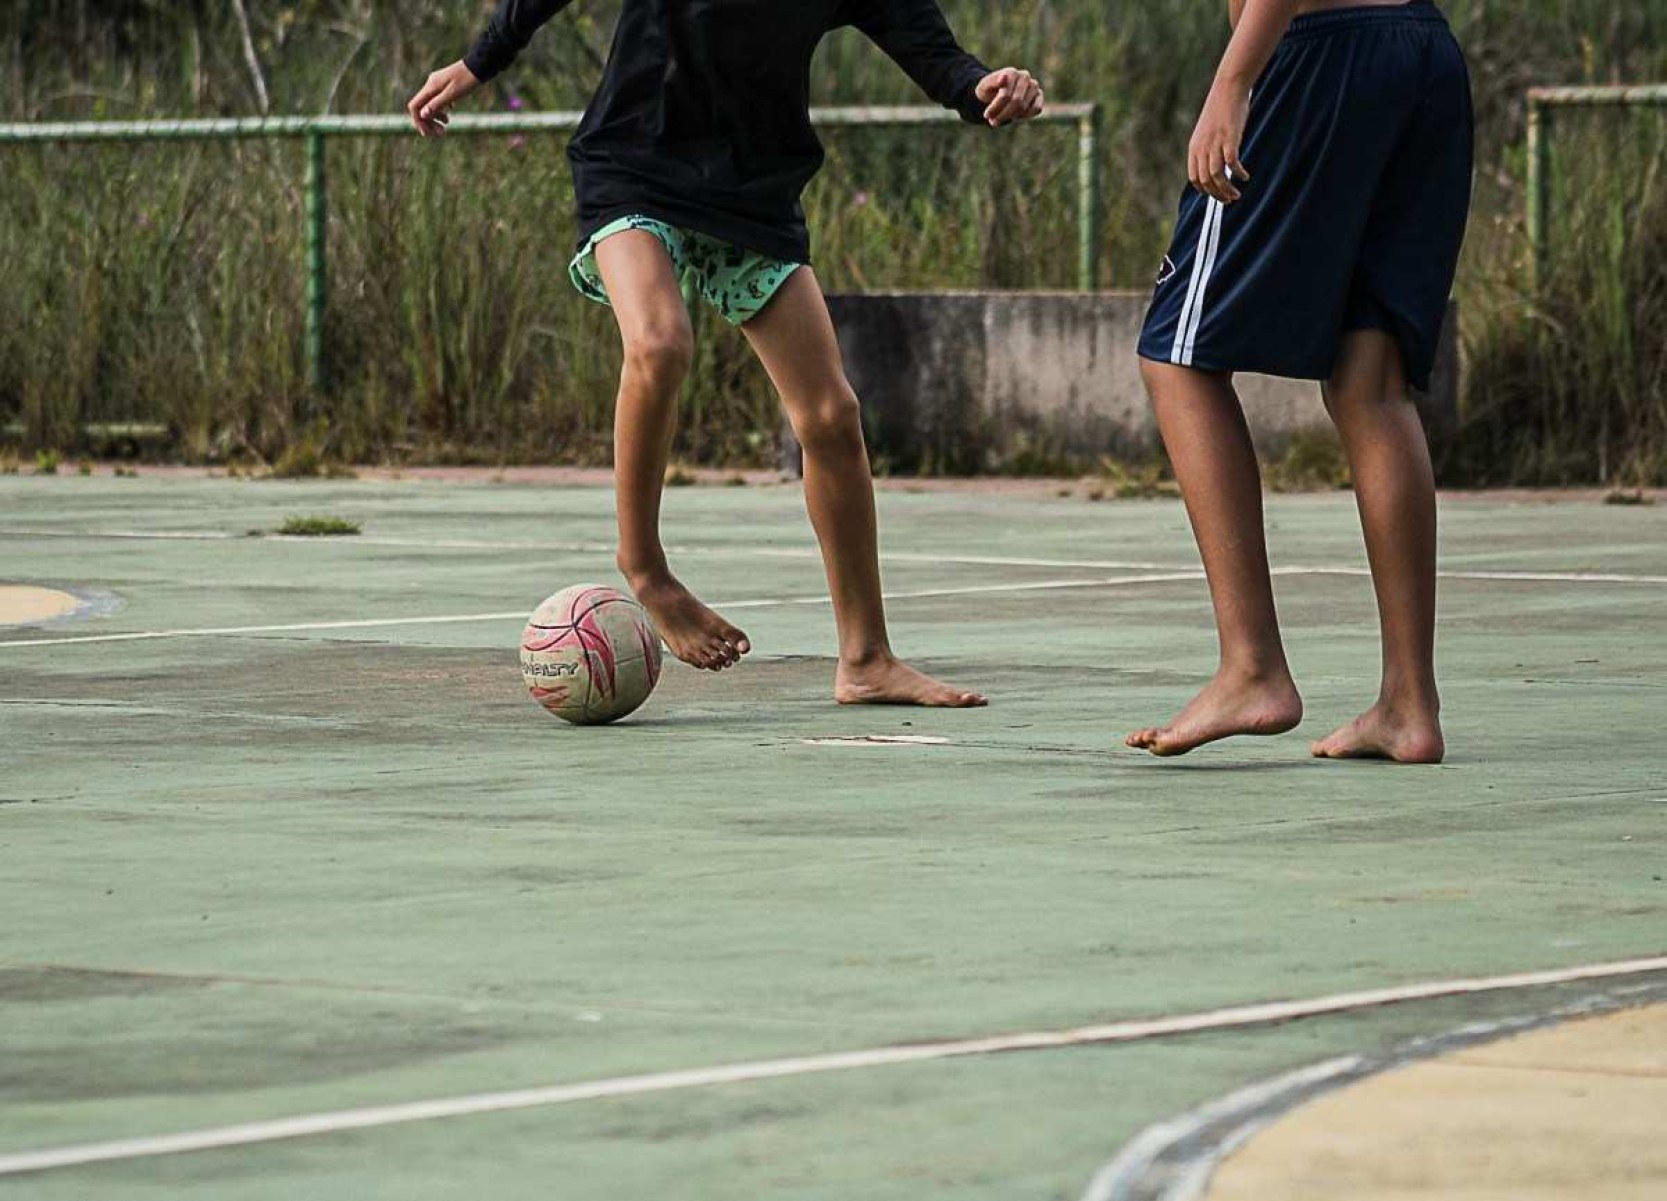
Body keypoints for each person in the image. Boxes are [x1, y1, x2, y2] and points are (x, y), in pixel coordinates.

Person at [409, 2, 1044, 707]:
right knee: (659, 340)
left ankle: (866, 660)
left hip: (752, 190)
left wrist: (986, 86)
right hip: (634, 161)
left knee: (831, 416)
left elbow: (931, 52)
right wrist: (478, 62)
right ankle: (645, 568)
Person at [1125, 0, 1473, 762]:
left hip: (1320, 53)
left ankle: (1251, 667)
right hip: (1421, 49)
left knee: (1175, 354)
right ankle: (1408, 704)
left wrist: (1233, 81)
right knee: (1368, 380)